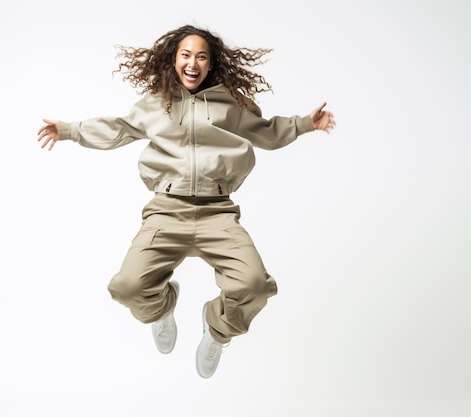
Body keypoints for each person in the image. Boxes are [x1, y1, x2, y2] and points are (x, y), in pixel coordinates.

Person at [37, 25, 336, 378]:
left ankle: (217, 329)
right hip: (166, 211)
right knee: (127, 288)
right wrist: (70, 130)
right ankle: (162, 308)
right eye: (185, 55)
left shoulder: (231, 103)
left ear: (212, 64)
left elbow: (266, 132)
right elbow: (119, 128)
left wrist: (304, 124)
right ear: (173, 59)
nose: (192, 63)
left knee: (254, 285)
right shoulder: (156, 103)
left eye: (201, 57)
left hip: (217, 213)